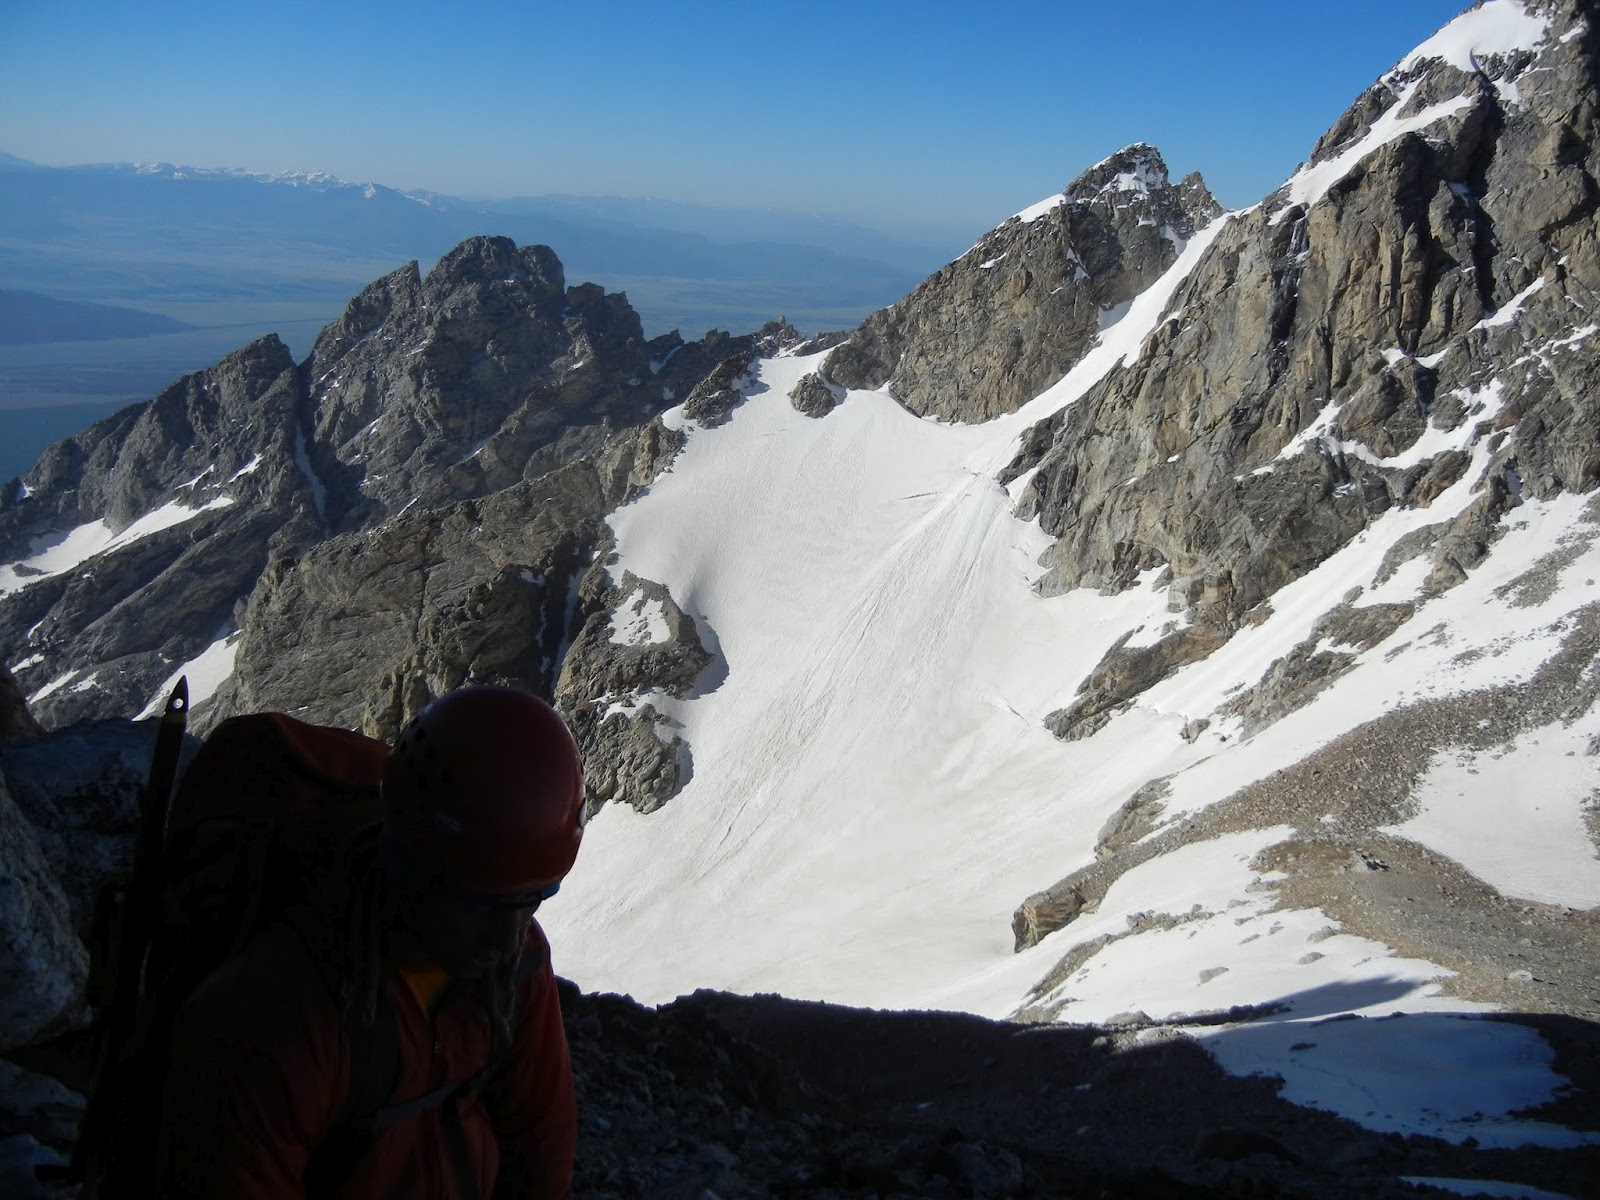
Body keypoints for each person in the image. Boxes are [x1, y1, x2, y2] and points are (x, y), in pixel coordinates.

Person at [157, 686, 584, 1199]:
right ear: (412, 864)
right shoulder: (271, 1021)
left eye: (530, 902)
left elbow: (540, 1146)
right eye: (477, 905)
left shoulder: (512, 962)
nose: (507, 937)